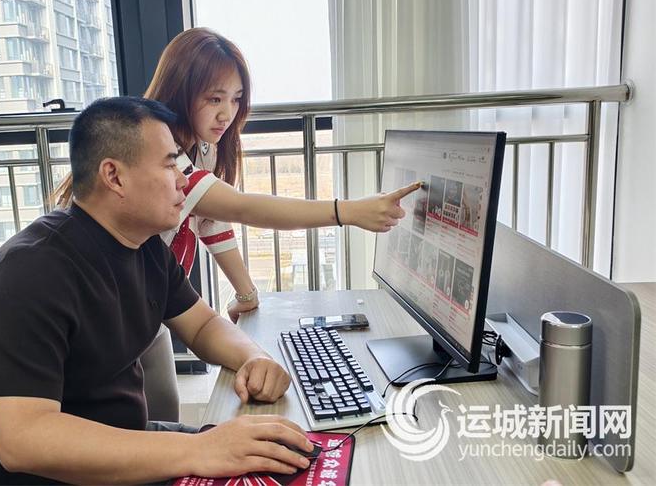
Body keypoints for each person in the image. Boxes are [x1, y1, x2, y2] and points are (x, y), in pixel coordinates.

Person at [52, 27, 420, 422]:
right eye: (214, 98)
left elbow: (211, 223)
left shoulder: (195, 158)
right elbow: (242, 208)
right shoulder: (163, 158)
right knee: (126, 420)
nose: (227, 113)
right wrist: (345, 211)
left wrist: (246, 297)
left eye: (236, 98)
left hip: (151, 298)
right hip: (115, 307)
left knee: (156, 418)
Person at [0, 97, 316, 484]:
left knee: (292, 456)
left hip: (122, 442)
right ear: (115, 176)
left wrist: (252, 357)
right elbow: (23, 441)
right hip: (53, 477)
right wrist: (198, 450)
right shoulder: (32, 270)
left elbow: (202, 325)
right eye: (170, 164)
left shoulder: (144, 246)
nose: (183, 181)